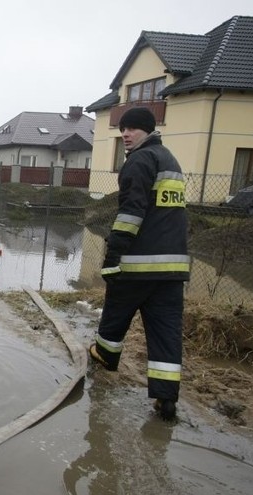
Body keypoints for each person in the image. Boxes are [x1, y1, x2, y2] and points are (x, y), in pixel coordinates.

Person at [88, 107, 190, 421]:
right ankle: (166, 399)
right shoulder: (170, 161)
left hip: (139, 264)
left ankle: (103, 359)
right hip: (172, 269)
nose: (126, 134)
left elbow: (131, 214)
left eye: (132, 129)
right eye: (123, 130)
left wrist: (113, 256)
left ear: (148, 130)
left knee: (116, 315)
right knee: (166, 332)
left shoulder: (139, 161)